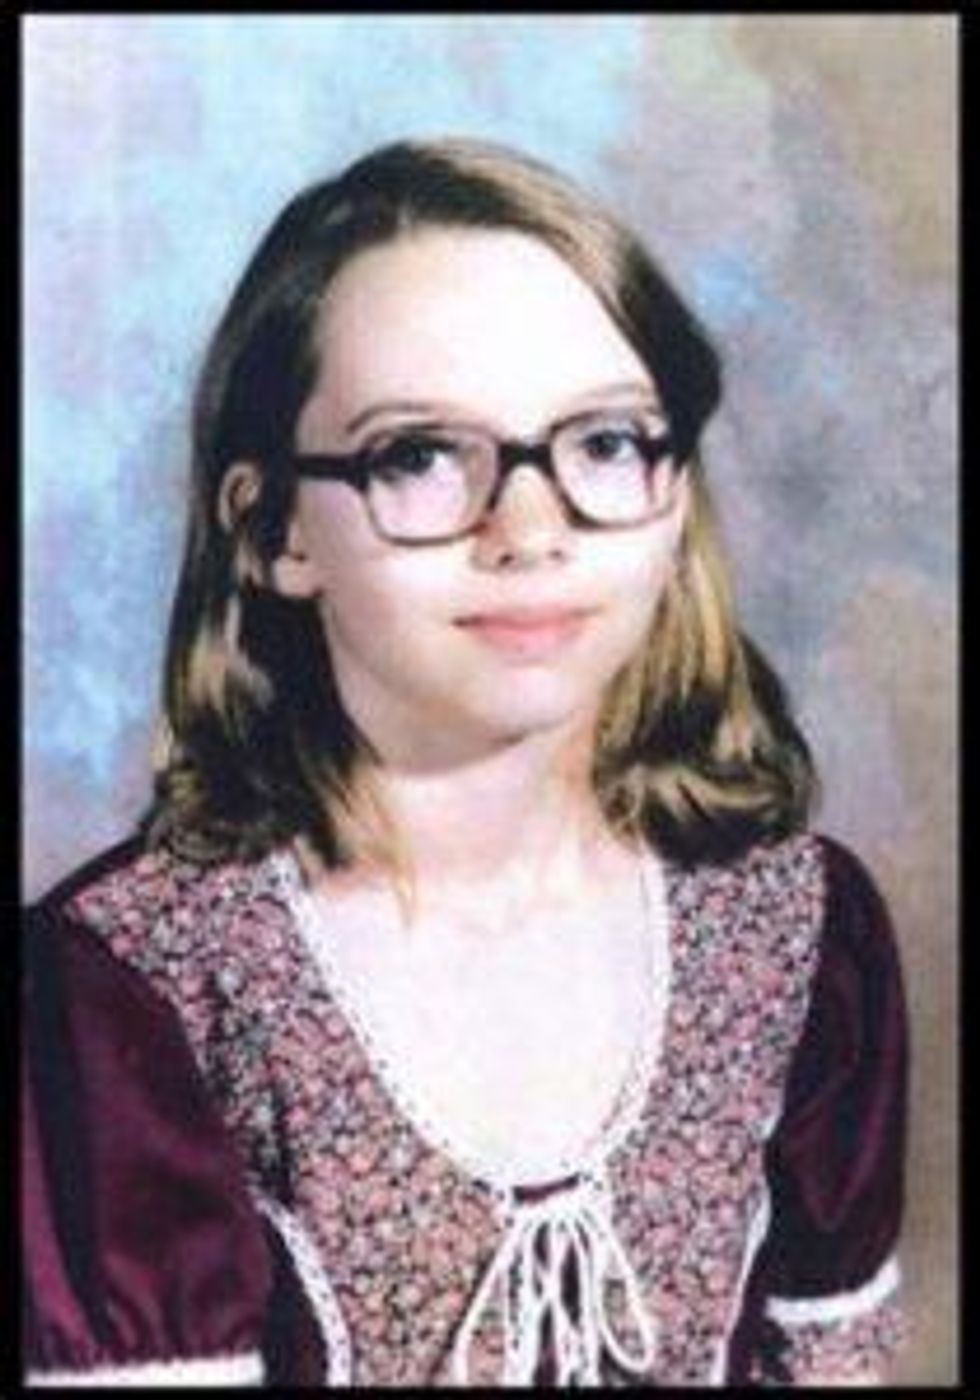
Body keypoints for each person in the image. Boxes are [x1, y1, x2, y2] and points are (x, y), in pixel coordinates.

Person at [23, 137, 910, 1387]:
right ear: (275, 529)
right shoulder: (137, 988)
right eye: (421, 455)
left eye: (602, 443)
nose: (530, 529)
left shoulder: (794, 926)